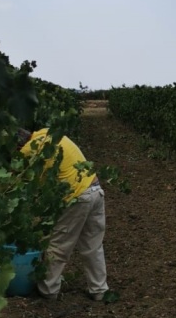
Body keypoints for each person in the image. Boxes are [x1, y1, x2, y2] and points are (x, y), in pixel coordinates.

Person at [18, 127, 108, 302]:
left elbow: (27, 184)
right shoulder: (48, 132)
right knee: (93, 246)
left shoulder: (29, 150)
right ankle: (99, 290)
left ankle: (48, 290)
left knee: (58, 246)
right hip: (96, 190)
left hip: (77, 197)